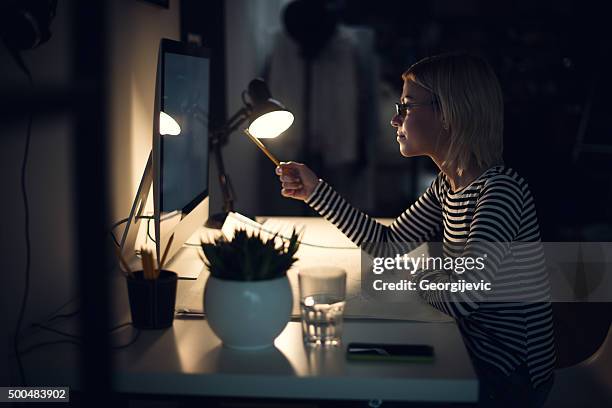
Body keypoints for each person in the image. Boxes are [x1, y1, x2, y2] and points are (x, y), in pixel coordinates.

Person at [275, 52, 556, 407]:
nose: (395, 119)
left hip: (510, 377)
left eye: (406, 107)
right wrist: (316, 192)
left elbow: (463, 296)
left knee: (367, 383)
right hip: (473, 350)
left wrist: (418, 273)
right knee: (362, 366)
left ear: (449, 114)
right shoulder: (448, 185)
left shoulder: (500, 191)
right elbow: (387, 244)